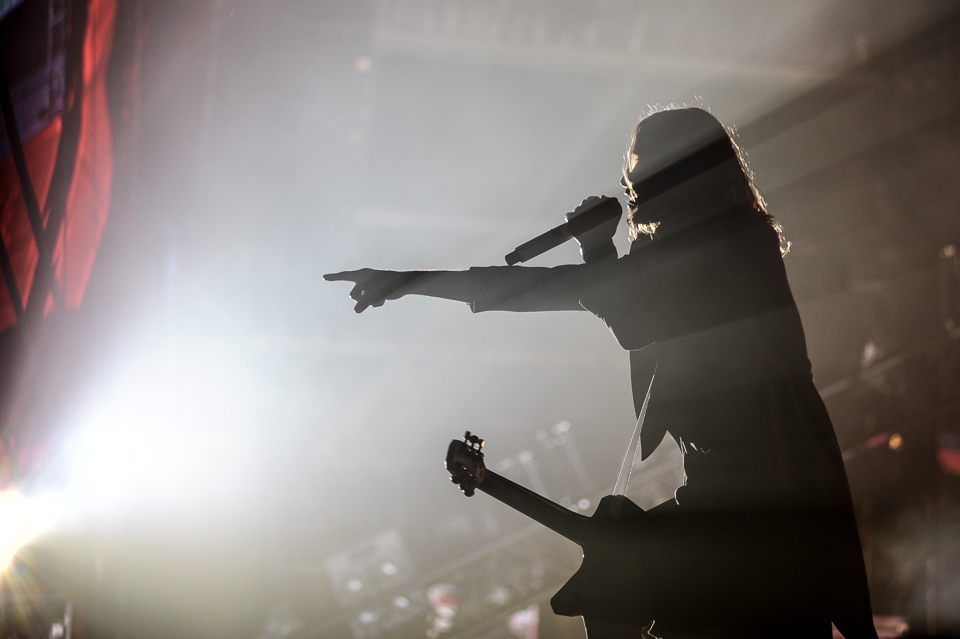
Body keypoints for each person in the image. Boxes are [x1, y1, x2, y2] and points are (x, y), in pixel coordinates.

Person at [325, 107, 877, 639]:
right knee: (613, 580)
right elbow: (635, 325)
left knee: (614, 582)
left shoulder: (727, 245)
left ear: (683, 175)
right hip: (725, 495)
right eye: (628, 173)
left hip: (766, 507)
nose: (629, 184)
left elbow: (568, 297)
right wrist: (597, 248)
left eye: (640, 172)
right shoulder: (709, 245)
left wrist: (410, 281)